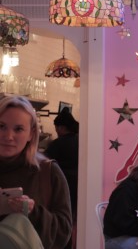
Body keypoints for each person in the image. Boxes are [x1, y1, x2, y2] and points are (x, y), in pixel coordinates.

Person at [0, 95, 72, 249]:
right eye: (1, 126)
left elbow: (64, 232)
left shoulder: (48, 171)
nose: (8, 136)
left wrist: (33, 211)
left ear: (31, 134)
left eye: (18, 129)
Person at [44, 108, 79, 249]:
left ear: (62, 127)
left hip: (61, 184)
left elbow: (43, 162)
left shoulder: (57, 144)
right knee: (71, 219)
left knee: (60, 217)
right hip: (78, 184)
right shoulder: (80, 141)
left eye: (57, 127)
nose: (56, 131)